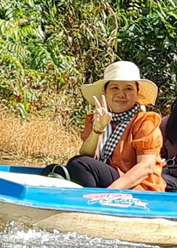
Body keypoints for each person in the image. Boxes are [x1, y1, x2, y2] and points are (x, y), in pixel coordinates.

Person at [61, 61, 165, 191]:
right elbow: (87, 154)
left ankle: (92, 201)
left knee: (79, 164)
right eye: (114, 88)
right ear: (105, 92)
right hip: (108, 178)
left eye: (128, 88)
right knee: (58, 170)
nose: (121, 94)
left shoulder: (144, 121)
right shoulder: (97, 118)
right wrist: (98, 129)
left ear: (137, 93)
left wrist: (108, 192)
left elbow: (146, 167)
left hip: (138, 187)